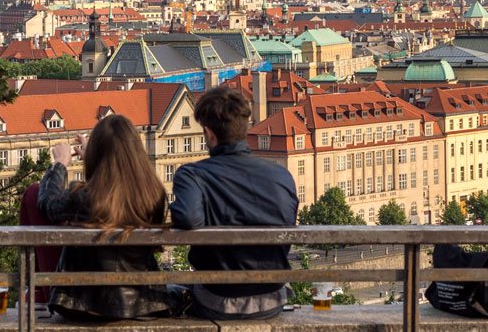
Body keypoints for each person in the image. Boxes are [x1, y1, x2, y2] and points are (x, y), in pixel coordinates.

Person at [24, 113, 176, 321]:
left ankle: (38, 293)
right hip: (143, 303)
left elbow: (46, 205)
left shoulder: (83, 197)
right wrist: (97, 157)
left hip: (83, 306)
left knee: (34, 191)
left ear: (97, 155)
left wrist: (60, 163)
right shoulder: (154, 195)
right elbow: (118, 192)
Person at [170, 87, 298, 320]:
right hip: (272, 296)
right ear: (245, 128)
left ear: (209, 133)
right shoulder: (281, 175)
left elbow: (188, 219)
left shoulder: (193, 175)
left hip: (218, 297)